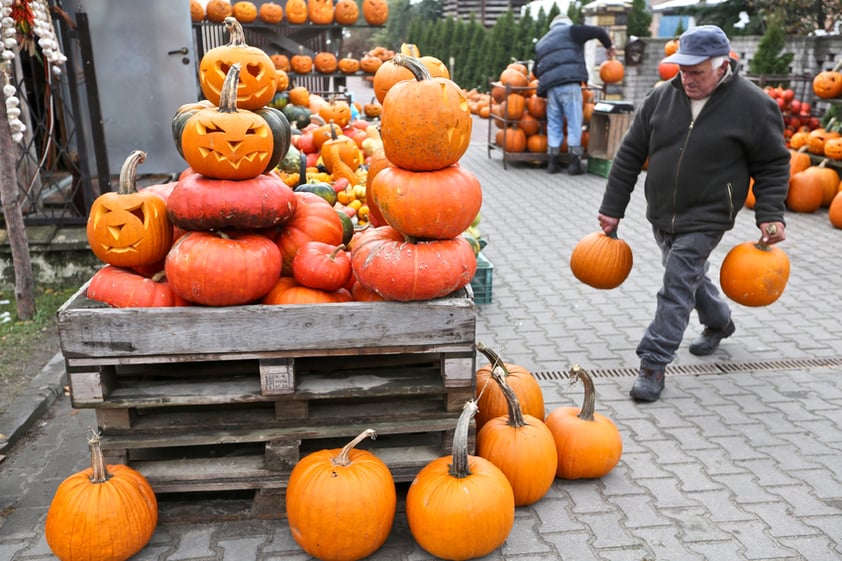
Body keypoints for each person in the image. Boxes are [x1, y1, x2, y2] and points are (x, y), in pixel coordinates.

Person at [596, 25, 790, 402]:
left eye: (696, 72)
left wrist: (770, 213)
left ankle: (653, 363)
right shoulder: (660, 97)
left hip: (710, 214)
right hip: (663, 212)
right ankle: (719, 321)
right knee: (686, 277)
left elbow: (773, 164)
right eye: (683, 70)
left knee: (675, 284)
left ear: (722, 67)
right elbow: (629, 155)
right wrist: (612, 209)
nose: (687, 79)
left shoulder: (754, 105)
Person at [534, 14, 615, 175]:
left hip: (551, 88)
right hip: (570, 84)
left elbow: (535, 70)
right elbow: (598, 31)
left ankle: (552, 163)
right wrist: (609, 46)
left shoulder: (542, 42)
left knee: (554, 124)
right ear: (567, 22)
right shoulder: (571, 31)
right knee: (574, 123)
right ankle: (574, 164)